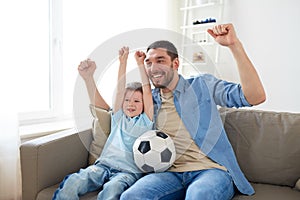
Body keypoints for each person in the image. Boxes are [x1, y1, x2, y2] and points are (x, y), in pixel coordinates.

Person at [120, 23, 266, 200]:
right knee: (131, 196)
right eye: (148, 63)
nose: (153, 68)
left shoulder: (202, 85)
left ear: (176, 64)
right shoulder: (149, 100)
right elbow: (115, 111)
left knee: (198, 196)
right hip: (169, 173)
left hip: (210, 171)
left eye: (160, 61)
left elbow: (255, 96)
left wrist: (234, 45)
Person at [52, 47, 154, 200]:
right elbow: (120, 90)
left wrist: (140, 64)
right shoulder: (119, 117)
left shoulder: (145, 121)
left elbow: (147, 91)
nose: (130, 104)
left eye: (136, 101)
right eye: (127, 100)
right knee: (74, 181)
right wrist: (123, 62)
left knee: (112, 190)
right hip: (102, 166)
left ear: (144, 104)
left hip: (127, 172)